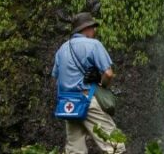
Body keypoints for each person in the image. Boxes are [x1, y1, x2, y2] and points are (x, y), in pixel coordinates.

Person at [51, 12, 126, 154]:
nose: (94, 31)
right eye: (92, 27)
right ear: (85, 29)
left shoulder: (62, 49)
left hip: (68, 105)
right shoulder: (94, 45)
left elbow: (56, 76)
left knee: (75, 151)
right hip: (87, 99)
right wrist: (102, 83)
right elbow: (108, 73)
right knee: (115, 146)